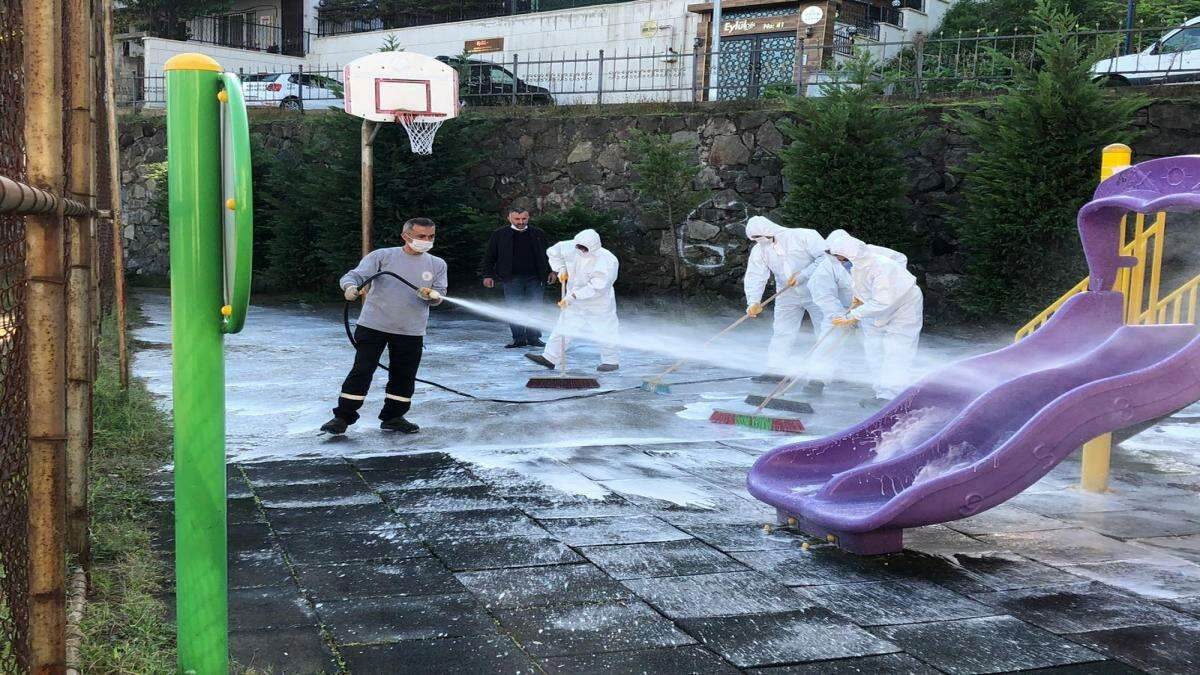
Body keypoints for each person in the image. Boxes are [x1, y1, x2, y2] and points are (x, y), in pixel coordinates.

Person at [321, 217, 448, 435]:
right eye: (421, 236)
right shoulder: (382, 256)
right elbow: (354, 275)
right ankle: (342, 417)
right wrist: (350, 287)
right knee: (362, 371)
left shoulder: (437, 264)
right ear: (405, 236)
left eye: (431, 236)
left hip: (411, 330)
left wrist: (433, 296)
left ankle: (393, 417)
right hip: (374, 325)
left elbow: (440, 294)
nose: (427, 240)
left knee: (404, 375)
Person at [805, 230, 908, 395]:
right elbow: (823, 294)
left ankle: (884, 391)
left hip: (871, 307)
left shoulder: (872, 253)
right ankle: (817, 380)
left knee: (875, 347)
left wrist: (882, 289)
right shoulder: (827, 266)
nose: (839, 259)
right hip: (843, 309)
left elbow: (899, 260)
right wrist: (840, 316)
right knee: (827, 342)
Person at [827, 231, 924, 408]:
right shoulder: (857, 264)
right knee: (874, 349)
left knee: (897, 349)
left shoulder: (880, 266)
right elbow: (865, 286)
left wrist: (854, 316)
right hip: (875, 307)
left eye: (841, 258)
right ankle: (881, 393)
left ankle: (891, 396)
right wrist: (859, 298)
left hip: (904, 305)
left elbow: (883, 301)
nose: (840, 262)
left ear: (849, 255)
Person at [742, 215, 827, 381]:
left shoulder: (804, 236)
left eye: (761, 236)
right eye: (755, 238)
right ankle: (776, 369)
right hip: (786, 293)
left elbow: (825, 258)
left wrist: (804, 274)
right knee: (782, 331)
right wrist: (753, 301)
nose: (760, 240)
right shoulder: (759, 250)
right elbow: (755, 275)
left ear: (770, 230)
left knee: (824, 331)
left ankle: (825, 372)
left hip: (817, 291)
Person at [525, 229, 620, 372]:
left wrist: (574, 296)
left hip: (598, 302)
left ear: (594, 247)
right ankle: (550, 358)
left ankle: (610, 361)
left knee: (605, 330)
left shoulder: (607, 260)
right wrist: (560, 269)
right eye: (578, 246)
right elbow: (553, 252)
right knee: (563, 327)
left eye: (584, 248)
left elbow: (598, 287)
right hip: (573, 300)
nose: (580, 250)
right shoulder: (568, 246)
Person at [481, 207, 556, 348]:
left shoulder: (538, 233)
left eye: (524, 219)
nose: (521, 222)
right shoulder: (500, 234)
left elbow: (549, 255)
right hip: (511, 278)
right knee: (514, 308)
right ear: (509, 218)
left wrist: (553, 271)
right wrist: (487, 275)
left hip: (536, 277)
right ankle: (518, 339)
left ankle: (533, 338)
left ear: (528, 218)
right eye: (517, 219)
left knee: (535, 307)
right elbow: (490, 256)